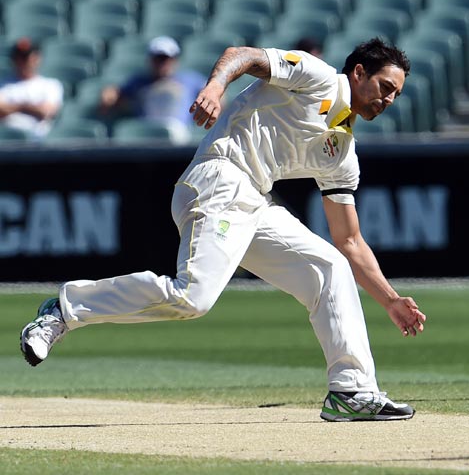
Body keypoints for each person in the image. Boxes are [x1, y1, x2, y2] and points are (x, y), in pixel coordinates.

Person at [21, 38, 427, 422]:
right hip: (219, 178)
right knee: (193, 298)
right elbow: (244, 55)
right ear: (358, 72)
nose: (388, 98)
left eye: (396, 94)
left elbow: (350, 240)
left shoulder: (342, 153)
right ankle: (64, 309)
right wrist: (215, 87)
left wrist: (390, 300)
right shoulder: (318, 75)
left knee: (330, 268)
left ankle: (351, 392)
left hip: (255, 201)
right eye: (384, 86)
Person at [99, 36, 206, 141]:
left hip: (177, 136)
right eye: (157, 59)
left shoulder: (190, 80)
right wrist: (110, 94)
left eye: (165, 59)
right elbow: (116, 93)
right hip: (145, 135)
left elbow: (212, 95)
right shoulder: (139, 82)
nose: (161, 63)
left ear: (174, 60)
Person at [0, 37, 63, 139]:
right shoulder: (2, 84)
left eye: (26, 57)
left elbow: (46, 112)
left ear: (37, 58)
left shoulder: (50, 85)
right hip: (6, 141)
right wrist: (29, 108)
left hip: (37, 142)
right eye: (18, 57)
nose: (23, 62)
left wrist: (14, 108)